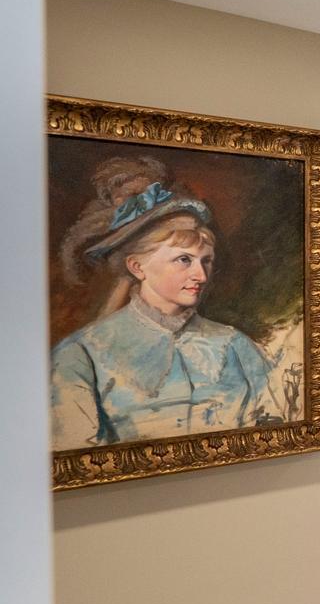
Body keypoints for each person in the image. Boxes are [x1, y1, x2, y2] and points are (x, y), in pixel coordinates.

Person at [50, 157, 276, 447]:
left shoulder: (236, 346)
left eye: (206, 261)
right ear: (137, 267)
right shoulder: (81, 355)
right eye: (184, 260)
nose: (201, 275)